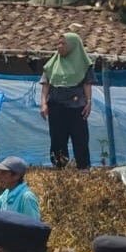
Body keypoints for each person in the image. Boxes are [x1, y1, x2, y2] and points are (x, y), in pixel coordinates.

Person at [39, 31, 94, 169]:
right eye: (58, 43)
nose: (59, 46)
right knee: (57, 140)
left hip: (77, 108)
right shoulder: (51, 64)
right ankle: (61, 169)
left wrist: (88, 102)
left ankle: (83, 170)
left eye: (63, 43)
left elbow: (87, 84)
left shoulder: (84, 64)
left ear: (73, 45)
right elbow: (46, 85)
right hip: (56, 107)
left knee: (80, 140)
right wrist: (44, 104)